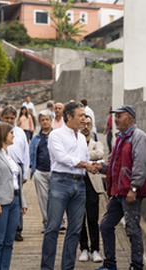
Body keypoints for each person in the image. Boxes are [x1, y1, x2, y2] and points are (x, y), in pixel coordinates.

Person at [40, 102, 100, 270]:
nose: (84, 119)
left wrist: (92, 166)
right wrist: (85, 164)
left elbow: (86, 159)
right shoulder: (56, 135)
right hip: (60, 183)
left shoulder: (81, 137)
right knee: (52, 228)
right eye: (81, 116)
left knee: (75, 229)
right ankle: (47, 267)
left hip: (80, 184)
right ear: (69, 117)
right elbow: (62, 158)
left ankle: (68, 267)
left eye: (85, 116)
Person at [95, 105, 146, 270]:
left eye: (119, 115)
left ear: (130, 118)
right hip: (118, 192)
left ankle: (136, 265)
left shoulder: (139, 138)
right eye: (115, 116)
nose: (116, 119)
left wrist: (133, 188)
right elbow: (112, 164)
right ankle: (110, 264)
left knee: (132, 229)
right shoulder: (120, 138)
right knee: (106, 225)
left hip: (129, 193)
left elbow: (141, 166)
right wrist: (100, 166)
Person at [0, 122, 27, 270]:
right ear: (2, 134)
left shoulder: (9, 155)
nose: (13, 135)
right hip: (0, 203)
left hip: (14, 201)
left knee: (9, 241)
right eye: (11, 132)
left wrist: (22, 202)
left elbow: (17, 181)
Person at [29, 110, 67, 234]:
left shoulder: (57, 136)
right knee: (43, 198)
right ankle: (47, 223)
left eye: (47, 119)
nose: (45, 122)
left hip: (55, 171)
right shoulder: (36, 138)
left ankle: (60, 222)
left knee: (57, 197)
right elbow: (31, 154)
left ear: (51, 121)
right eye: (43, 120)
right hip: (40, 171)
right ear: (40, 122)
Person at [78, 115, 105, 263]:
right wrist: (89, 158)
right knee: (79, 219)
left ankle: (95, 249)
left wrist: (82, 156)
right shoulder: (74, 142)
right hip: (77, 184)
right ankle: (83, 248)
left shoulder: (96, 143)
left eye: (88, 124)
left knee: (93, 219)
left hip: (92, 186)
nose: (85, 126)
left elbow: (100, 153)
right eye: (83, 123)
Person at [1, 106, 30, 242]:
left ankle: (17, 229)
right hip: (1, 166)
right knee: (3, 197)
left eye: (12, 118)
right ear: (2, 117)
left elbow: (25, 153)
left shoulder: (20, 133)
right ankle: (4, 227)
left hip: (17, 167)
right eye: (6, 118)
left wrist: (25, 174)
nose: (9, 120)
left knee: (17, 198)